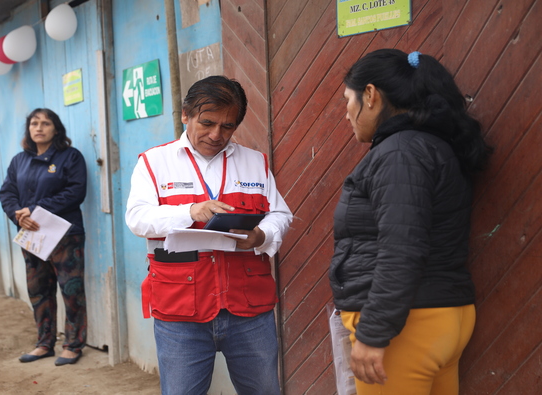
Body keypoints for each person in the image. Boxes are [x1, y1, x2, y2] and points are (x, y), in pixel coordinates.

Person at [330, 49, 493, 395]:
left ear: (370, 95)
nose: (346, 112)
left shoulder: (400, 153)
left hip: (406, 327)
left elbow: (402, 249)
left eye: (348, 99)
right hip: (440, 316)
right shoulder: (429, 146)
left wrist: (374, 333)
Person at [126, 75, 293, 395]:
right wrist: (189, 211)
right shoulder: (154, 163)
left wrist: (261, 236)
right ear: (185, 115)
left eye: (227, 126)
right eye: (207, 123)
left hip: (248, 307)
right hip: (181, 309)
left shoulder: (254, 162)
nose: (217, 135)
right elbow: (137, 219)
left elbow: (280, 215)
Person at [0, 108, 87, 366]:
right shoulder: (19, 161)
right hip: (32, 235)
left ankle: (72, 344)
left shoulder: (70, 157)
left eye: (45, 123)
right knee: (38, 290)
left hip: (65, 235)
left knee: (71, 290)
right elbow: (7, 193)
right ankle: (44, 343)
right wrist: (18, 215)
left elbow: (75, 192)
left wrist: (37, 209)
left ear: (55, 129)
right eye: (34, 123)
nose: (39, 128)